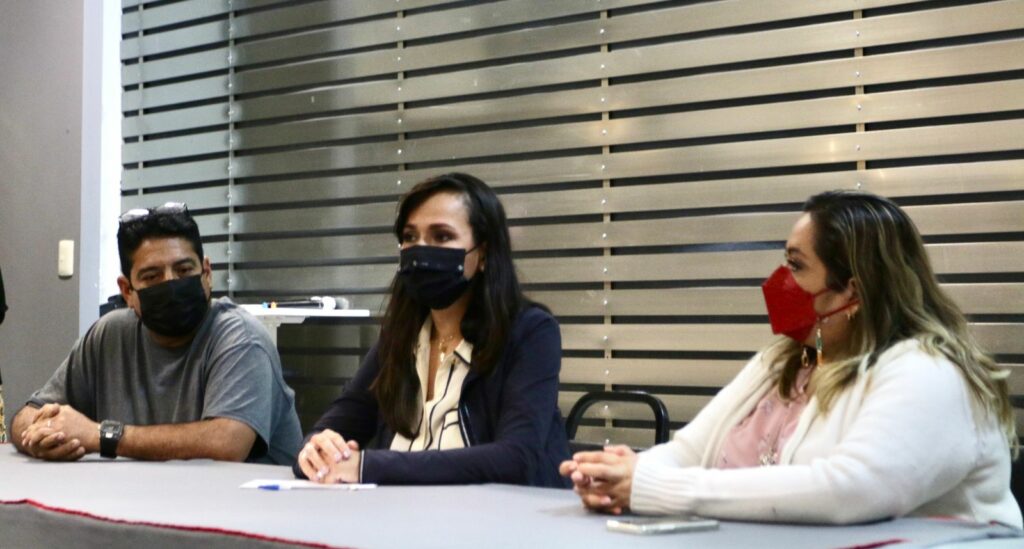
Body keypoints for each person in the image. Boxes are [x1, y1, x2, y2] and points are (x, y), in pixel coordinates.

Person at [561, 190, 1022, 526]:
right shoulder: (786, 359)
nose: (781, 280)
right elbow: (688, 454)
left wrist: (654, 488)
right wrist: (618, 479)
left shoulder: (929, 373)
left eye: (797, 265)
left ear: (853, 291)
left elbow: (852, 490)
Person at [294, 173, 570, 486]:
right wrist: (316, 450)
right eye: (410, 237)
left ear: (483, 254)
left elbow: (516, 458)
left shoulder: (530, 331)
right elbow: (334, 425)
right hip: (400, 511)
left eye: (441, 236)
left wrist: (368, 467)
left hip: (498, 514)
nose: (421, 251)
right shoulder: (401, 335)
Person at [12, 203, 302, 465]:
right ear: (127, 291)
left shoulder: (240, 338)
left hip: (241, 503)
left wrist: (102, 435)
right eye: (152, 277)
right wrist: (41, 437)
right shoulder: (109, 335)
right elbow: (26, 416)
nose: (171, 284)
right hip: (141, 500)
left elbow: (227, 443)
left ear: (207, 273)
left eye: (184, 270)